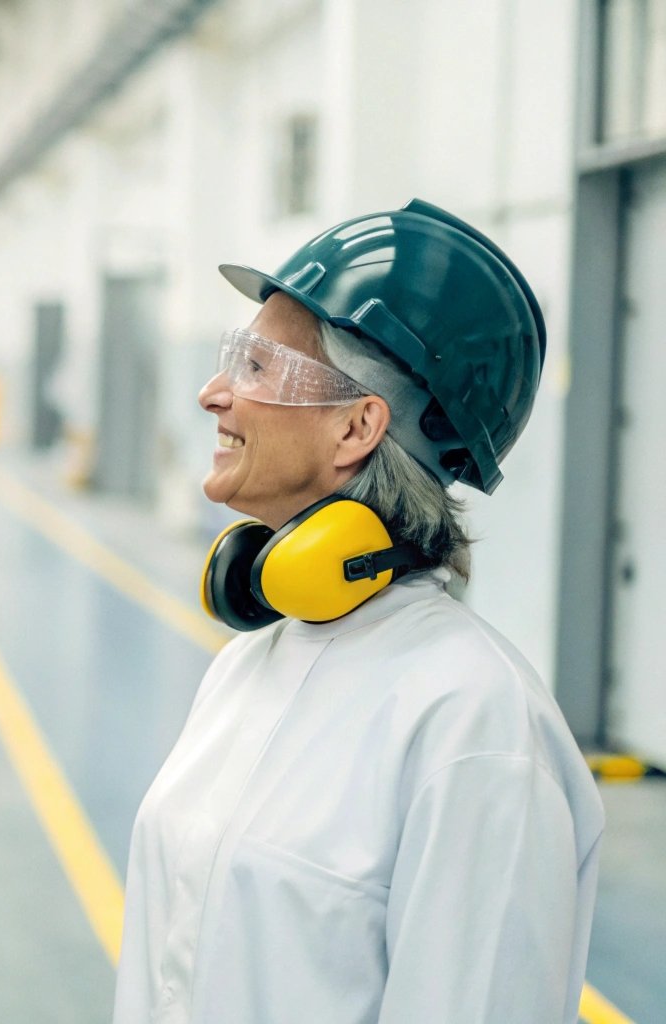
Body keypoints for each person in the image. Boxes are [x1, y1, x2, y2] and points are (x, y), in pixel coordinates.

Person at [112, 199, 604, 1023]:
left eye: (258, 368)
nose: (211, 394)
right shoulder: (249, 664)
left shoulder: (475, 726)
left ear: (358, 427)